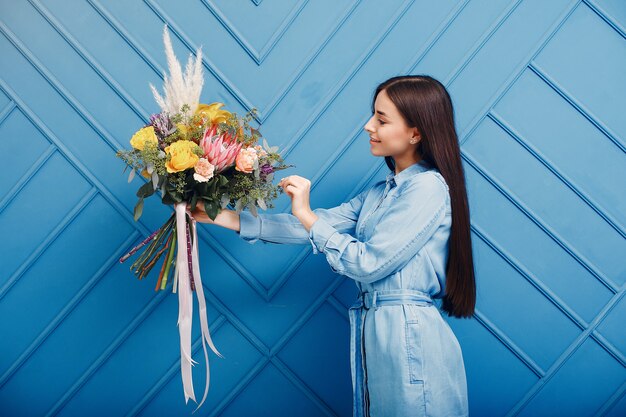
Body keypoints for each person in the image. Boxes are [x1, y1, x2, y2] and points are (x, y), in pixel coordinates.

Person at [188, 75, 476, 417]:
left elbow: (367, 263)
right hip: (381, 329)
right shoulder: (380, 193)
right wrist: (223, 217)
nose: (369, 126)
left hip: (408, 335)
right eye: (373, 115)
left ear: (416, 133)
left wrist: (307, 214)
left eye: (382, 119)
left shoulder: (426, 188)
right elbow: (309, 226)